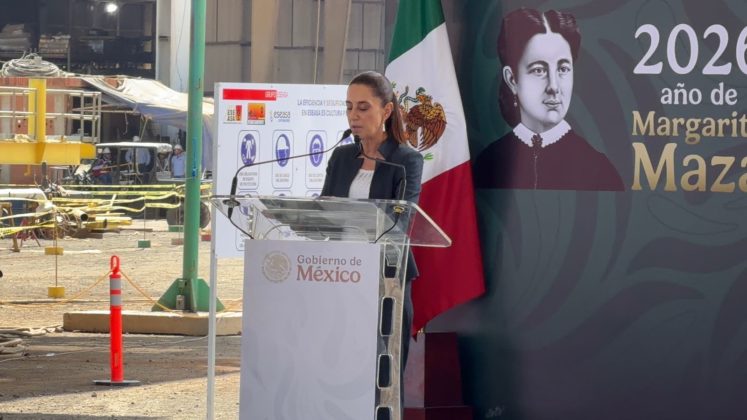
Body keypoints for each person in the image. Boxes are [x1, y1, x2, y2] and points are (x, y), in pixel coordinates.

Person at [321, 70, 423, 407]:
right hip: (339, 274)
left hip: (385, 279)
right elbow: (322, 214)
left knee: (383, 372)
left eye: (363, 107)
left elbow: (401, 222)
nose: (354, 115)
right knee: (338, 366)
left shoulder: (406, 160)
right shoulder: (340, 157)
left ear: (387, 110)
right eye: (349, 107)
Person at [474, 8, 624, 191]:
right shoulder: (487, 164)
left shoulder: (599, 170)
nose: (554, 86)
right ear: (512, 79)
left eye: (563, 69)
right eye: (539, 70)